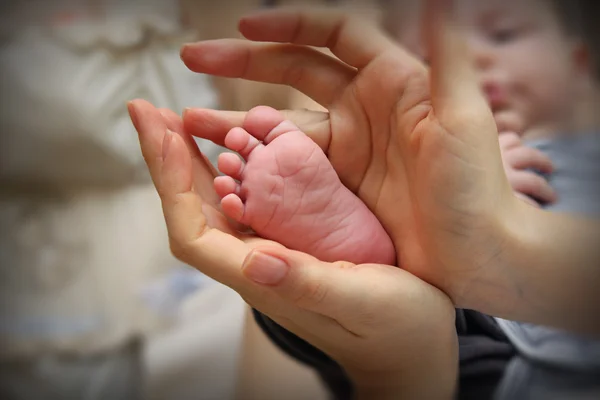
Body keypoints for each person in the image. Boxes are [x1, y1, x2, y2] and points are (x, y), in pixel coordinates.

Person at [128, 1, 600, 398]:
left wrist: (502, 219)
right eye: (430, 64)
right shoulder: (406, 170)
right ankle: (356, 256)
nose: (474, 60)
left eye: (503, 34)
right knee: (320, 300)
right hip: (472, 348)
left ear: (579, 64)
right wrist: (399, 364)